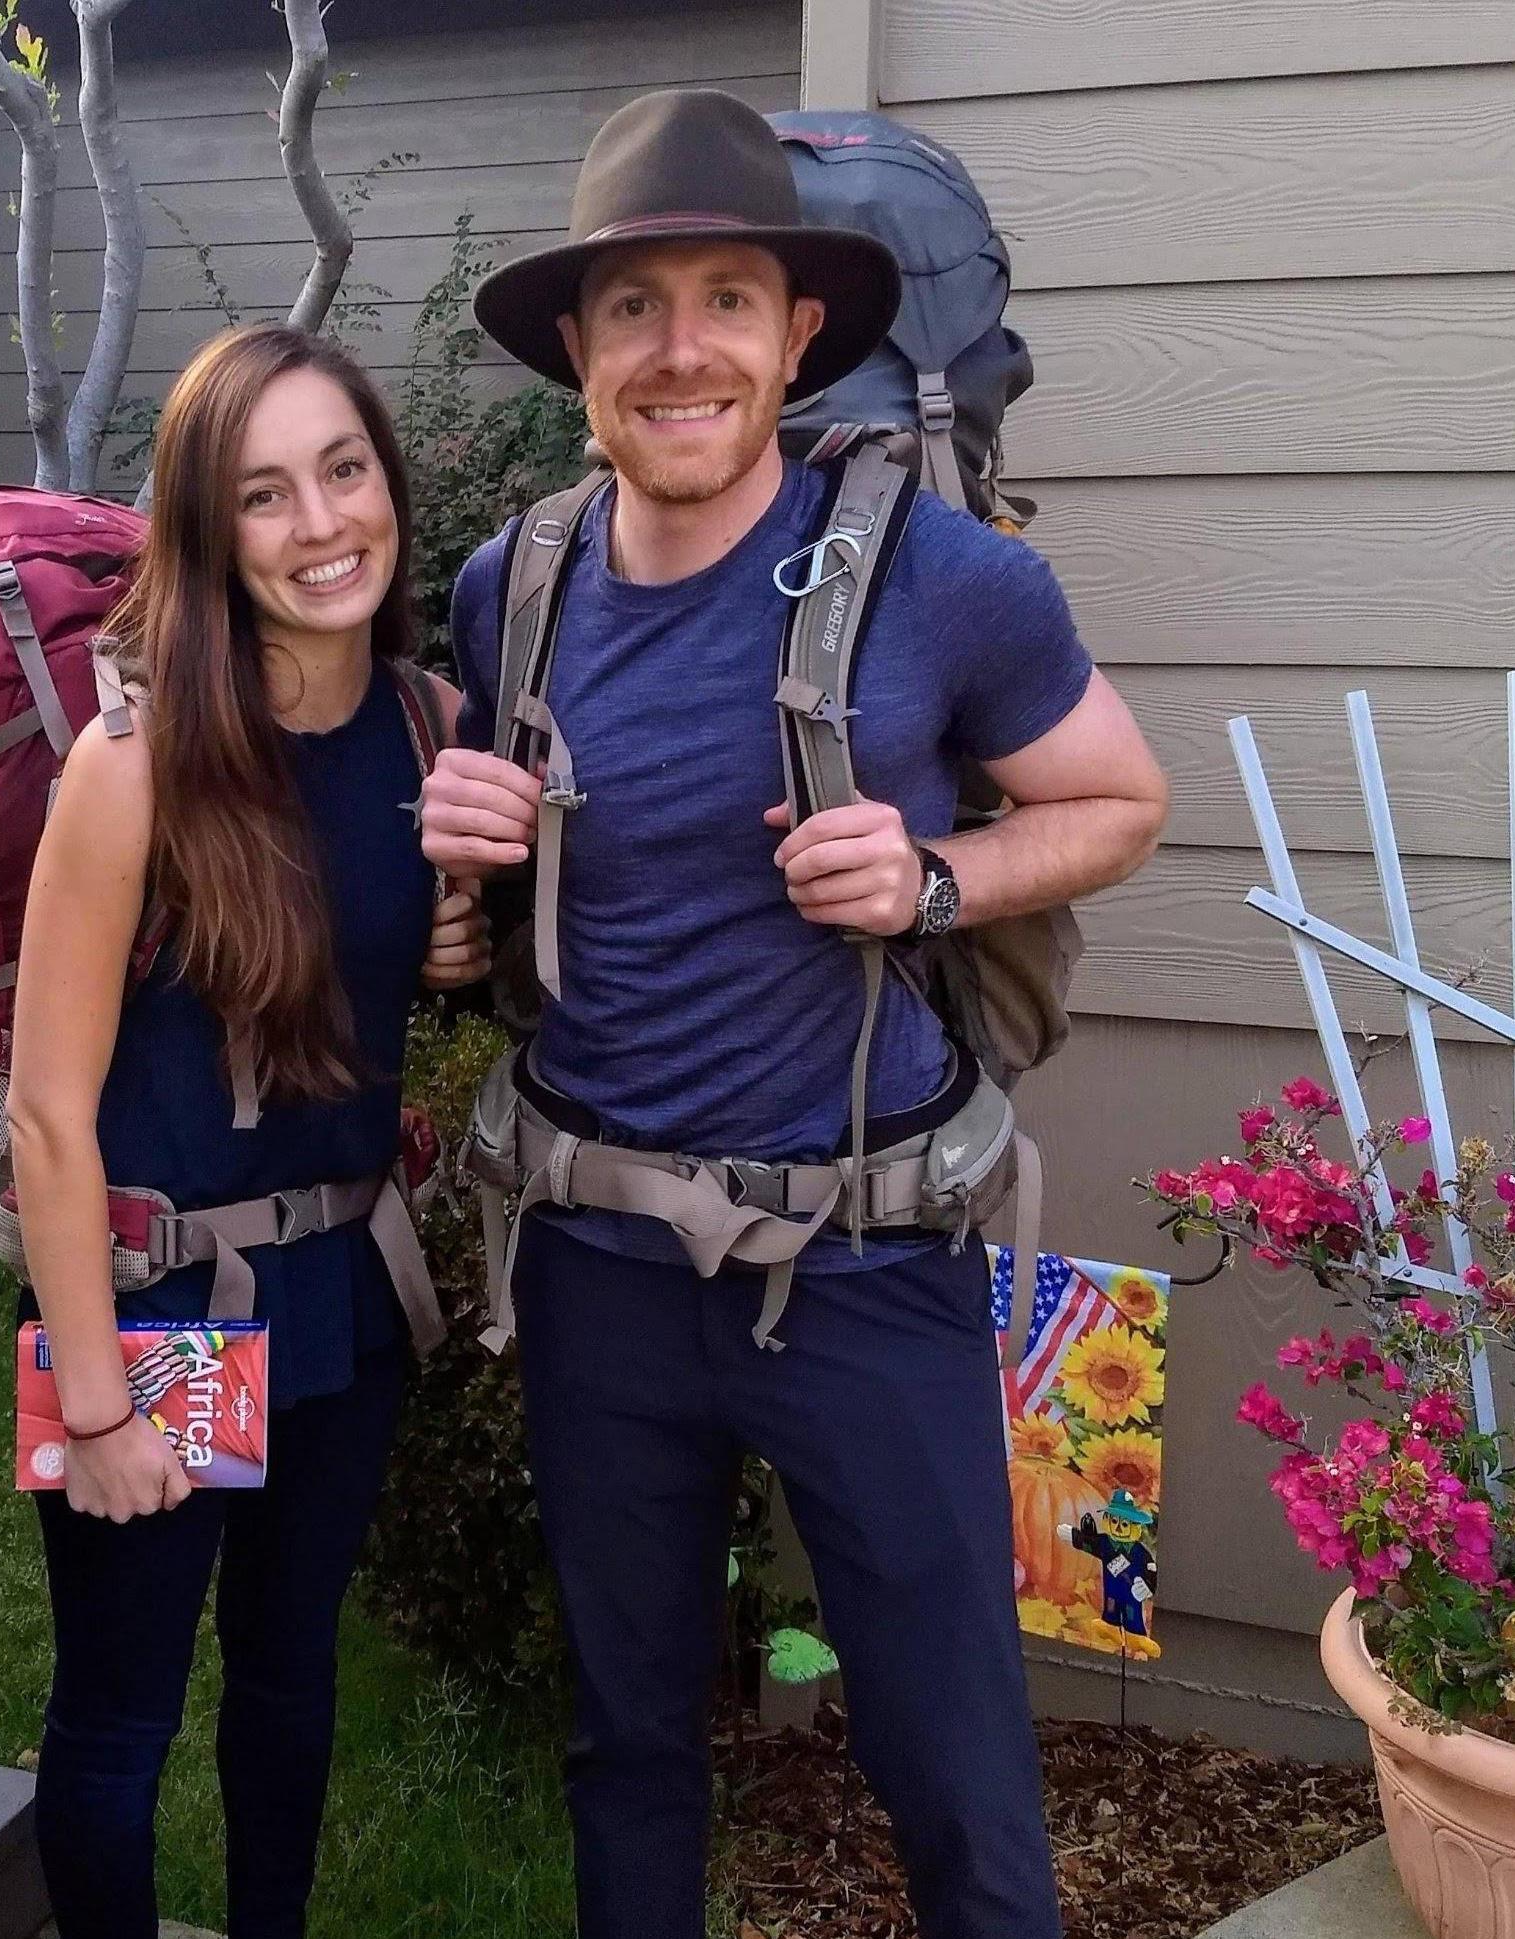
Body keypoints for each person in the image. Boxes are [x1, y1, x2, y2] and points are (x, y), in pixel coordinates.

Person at [419, 89, 1170, 1939]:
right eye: (634, 306)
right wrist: (451, 878)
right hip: (595, 1262)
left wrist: (931, 879)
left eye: (727, 301)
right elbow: (503, 914)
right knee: (627, 1745)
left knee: (954, 1761)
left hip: (866, 1260)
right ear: (578, 351)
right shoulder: (510, 589)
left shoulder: (944, 576)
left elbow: (1120, 801)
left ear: (797, 332)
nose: (681, 350)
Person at [6, 322, 487, 1939]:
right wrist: (96, 1405)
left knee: (290, 1679)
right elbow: (46, 1112)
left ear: (389, 483)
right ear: (210, 533)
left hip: (343, 1290)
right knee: (122, 1718)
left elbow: (405, 951)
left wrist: (452, 942)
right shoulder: (135, 761)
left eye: (344, 470)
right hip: (159, 1304)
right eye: (265, 493)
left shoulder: (429, 724)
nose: (321, 523)